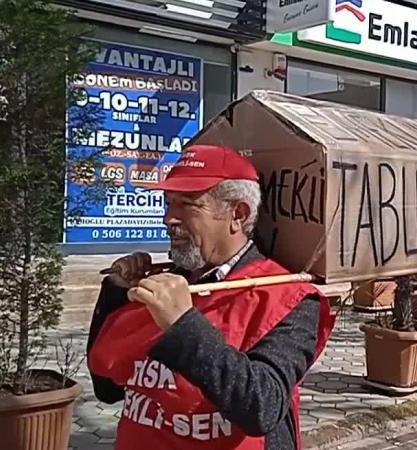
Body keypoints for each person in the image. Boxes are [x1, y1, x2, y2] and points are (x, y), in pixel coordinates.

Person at [86, 144, 335, 450]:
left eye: (188, 204)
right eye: (168, 203)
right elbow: (107, 387)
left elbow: (263, 406)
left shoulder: (287, 296)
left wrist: (183, 326)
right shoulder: (163, 284)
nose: (169, 218)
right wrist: (116, 295)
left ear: (237, 214)